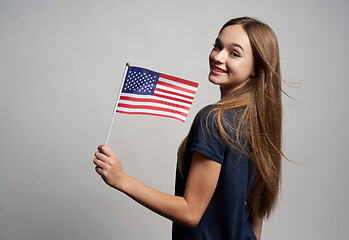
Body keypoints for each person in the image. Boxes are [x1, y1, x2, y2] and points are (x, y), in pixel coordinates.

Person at [93, 16, 284, 240]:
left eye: (234, 53)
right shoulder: (259, 121)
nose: (218, 57)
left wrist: (121, 179)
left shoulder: (213, 119)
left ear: (256, 68)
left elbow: (191, 212)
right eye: (217, 46)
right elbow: (257, 214)